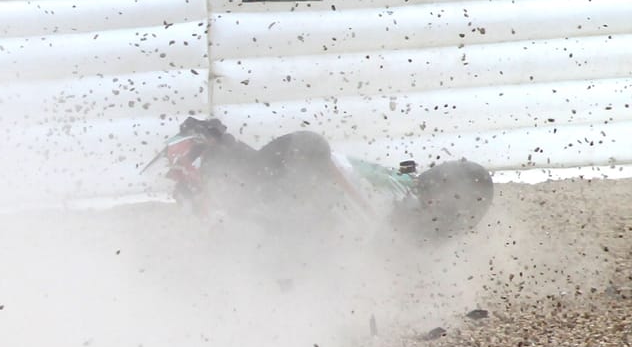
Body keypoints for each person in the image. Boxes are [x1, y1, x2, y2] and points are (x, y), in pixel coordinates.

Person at [155, 116, 493, 243]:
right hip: (311, 175)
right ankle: (216, 150)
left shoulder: (412, 223)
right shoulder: (405, 190)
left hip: (313, 210)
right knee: (310, 148)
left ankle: (219, 159)